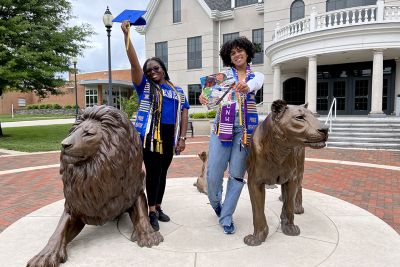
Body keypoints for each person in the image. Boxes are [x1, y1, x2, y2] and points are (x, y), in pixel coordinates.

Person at [121, 21, 190, 231]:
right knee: (153, 172)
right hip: (151, 136)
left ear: (163, 68)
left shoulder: (176, 89)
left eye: (156, 68)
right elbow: (134, 64)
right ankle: (150, 210)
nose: (152, 72)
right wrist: (127, 37)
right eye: (148, 70)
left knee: (163, 172)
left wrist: (182, 138)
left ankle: (158, 206)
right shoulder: (145, 87)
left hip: (169, 136)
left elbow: (185, 110)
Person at [199, 36, 264, 234]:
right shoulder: (221, 77)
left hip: (245, 131)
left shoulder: (256, 76)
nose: (237, 55)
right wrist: (205, 98)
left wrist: (247, 86)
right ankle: (217, 203)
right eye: (232, 53)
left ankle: (226, 216)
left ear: (247, 52)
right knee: (213, 174)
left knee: (236, 175)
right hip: (222, 128)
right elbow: (212, 100)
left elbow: (255, 84)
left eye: (240, 50)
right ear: (229, 57)